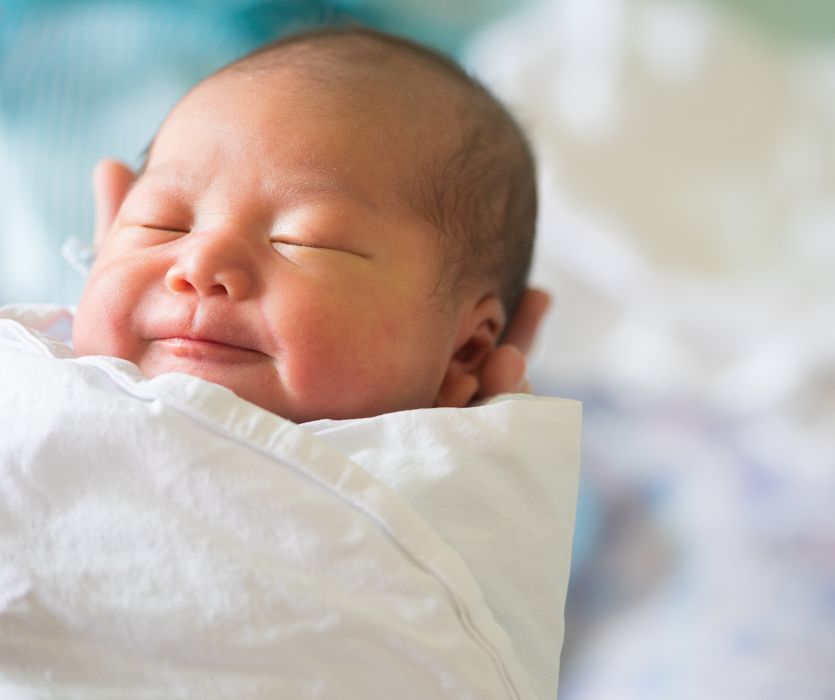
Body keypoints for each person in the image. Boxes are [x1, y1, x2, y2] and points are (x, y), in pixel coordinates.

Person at [71, 25, 548, 423]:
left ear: (464, 350)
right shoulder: (31, 371)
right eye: (162, 224)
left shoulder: (442, 491)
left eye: (304, 241)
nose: (198, 263)